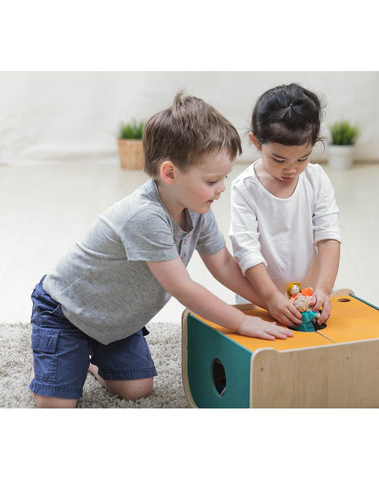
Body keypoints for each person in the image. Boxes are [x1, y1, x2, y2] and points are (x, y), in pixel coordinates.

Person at [29, 92, 292, 408]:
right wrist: (241, 322)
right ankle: (50, 367)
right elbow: (183, 288)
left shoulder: (197, 208)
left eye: (224, 178)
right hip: (66, 313)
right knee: (55, 406)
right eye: (212, 180)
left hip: (117, 322)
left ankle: (83, 362)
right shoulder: (145, 216)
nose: (222, 188)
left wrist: (272, 302)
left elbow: (223, 264)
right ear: (169, 173)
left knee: (137, 389)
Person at [229, 83, 341, 330]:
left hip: (308, 301)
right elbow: (246, 250)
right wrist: (270, 297)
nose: (291, 169)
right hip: (259, 301)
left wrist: (324, 289)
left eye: (303, 158)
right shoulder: (245, 188)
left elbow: (328, 236)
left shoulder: (317, 179)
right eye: (278, 159)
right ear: (256, 143)